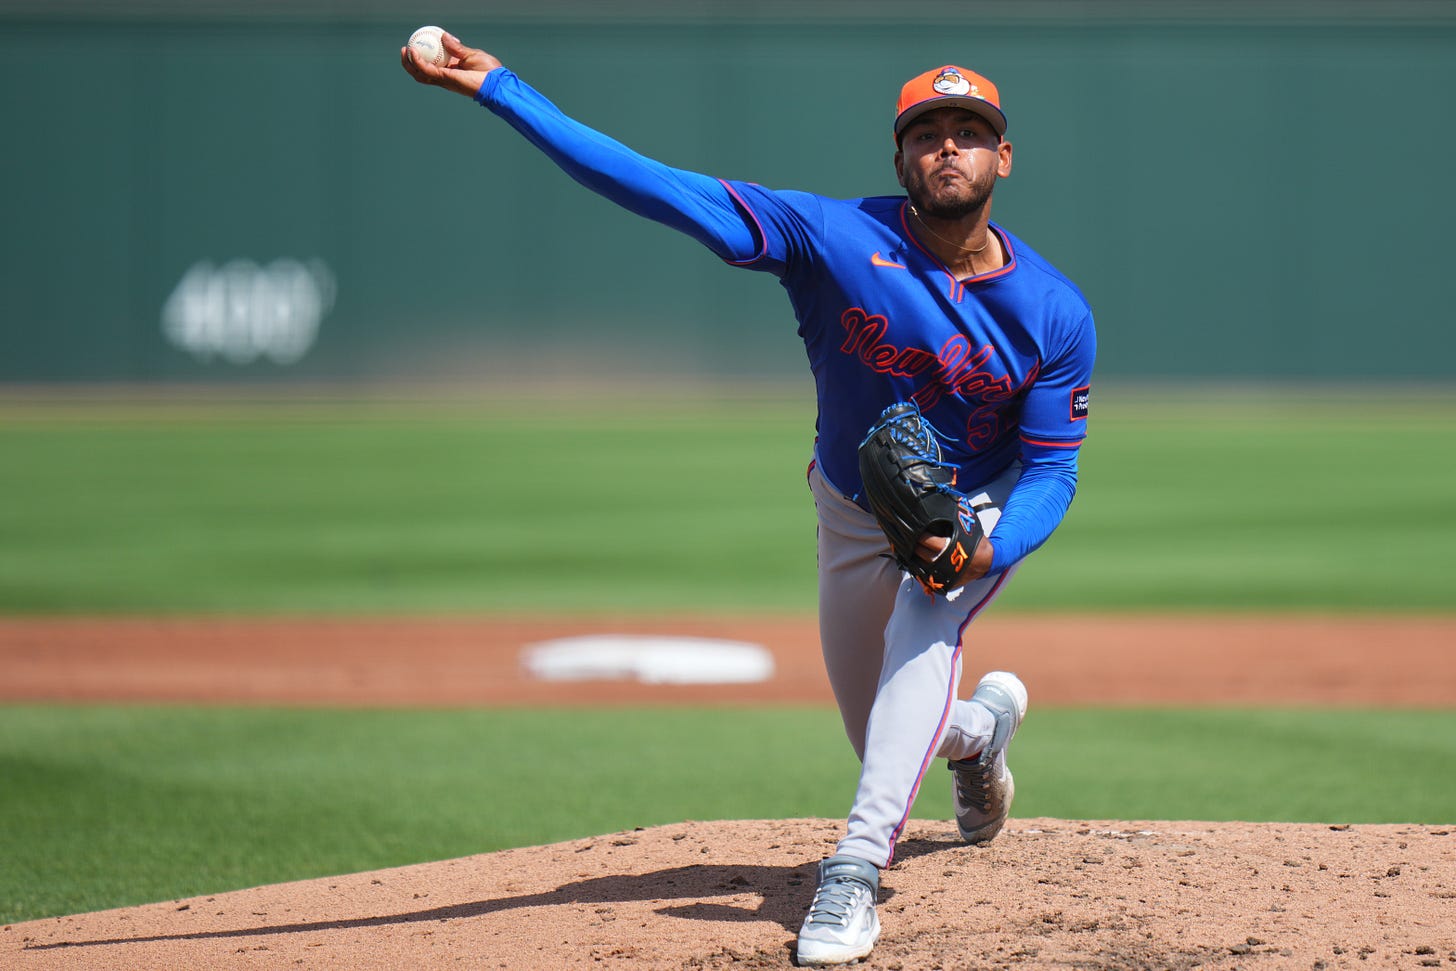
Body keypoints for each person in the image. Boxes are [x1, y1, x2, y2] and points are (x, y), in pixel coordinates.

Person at [402, 34, 1095, 967]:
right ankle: (979, 733)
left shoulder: (1053, 310)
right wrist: (503, 90)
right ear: (898, 157)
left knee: (929, 616)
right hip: (852, 507)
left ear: (1002, 157)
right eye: (927, 132)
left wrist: (987, 549)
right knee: (884, 730)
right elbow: (660, 188)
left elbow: (1051, 470)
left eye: (969, 132)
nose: (948, 147)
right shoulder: (832, 237)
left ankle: (854, 871)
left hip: (971, 501)